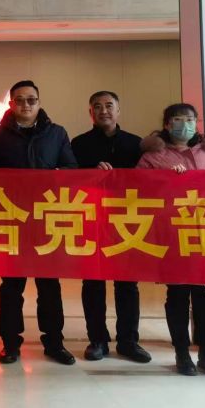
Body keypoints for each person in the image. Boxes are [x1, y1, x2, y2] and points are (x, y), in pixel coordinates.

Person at [0, 80, 77, 365]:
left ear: (39, 102)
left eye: (31, 100)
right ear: (11, 103)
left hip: (46, 221)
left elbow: (71, 169)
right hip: (11, 221)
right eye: (20, 100)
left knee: (49, 286)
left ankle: (54, 342)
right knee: (11, 287)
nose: (26, 105)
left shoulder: (56, 133)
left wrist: (54, 177)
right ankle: (10, 343)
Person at [137, 103, 205, 377]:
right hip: (172, 233)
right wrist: (163, 179)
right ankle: (182, 352)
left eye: (190, 119)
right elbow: (137, 188)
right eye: (177, 119)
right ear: (166, 124)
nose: (184, 124)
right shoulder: (153, 156)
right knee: (177, 295)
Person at [71, 91, 150, 363]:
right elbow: (69, 179)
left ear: (118, 110)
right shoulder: (78, 144)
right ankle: (97, 340)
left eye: (109, 106)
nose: (103, 110)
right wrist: (91, 174)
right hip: (92, 220)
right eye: (97, 106)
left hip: (127, 221)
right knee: (93, 282)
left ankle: (128, 341)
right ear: (90, 113)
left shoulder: (136, 144)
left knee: (127, 284)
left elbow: (149, 179)